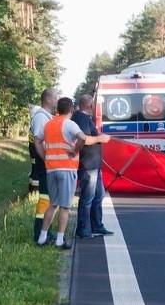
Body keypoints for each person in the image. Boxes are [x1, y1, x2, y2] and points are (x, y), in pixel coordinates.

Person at [36, 97, 110, 249]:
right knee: (65, 206)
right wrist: (75, 150)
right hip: (66, 168)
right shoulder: (69, 124)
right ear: (71, 110)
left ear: (58, 109)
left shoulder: (49, 124)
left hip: (51, 169)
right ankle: (60, 240)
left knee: (52, 204)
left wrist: (45, 157)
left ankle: (42, 237)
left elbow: (37, 140)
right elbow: (82, 138)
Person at [71, 94, 114, 239]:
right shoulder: (81, 118)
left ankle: (97, 225)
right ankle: (83, 229)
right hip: (88, 164)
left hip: (94, 164)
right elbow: (84, 139)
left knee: (98, 195)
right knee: (87, 197)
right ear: (90, 106)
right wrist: (99, 138)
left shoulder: (84, 118)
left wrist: (98, 136)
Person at [31, 88, 58, 242]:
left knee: (50, 198)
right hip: (45, 163)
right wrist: (46, 160)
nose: (56, 99)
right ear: (48, 99)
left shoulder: (47, 116)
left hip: (48, 162)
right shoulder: (41, 117)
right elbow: (39, 142)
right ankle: (40, 232)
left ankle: (46, 230)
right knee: (45, 197)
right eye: (55, 97)